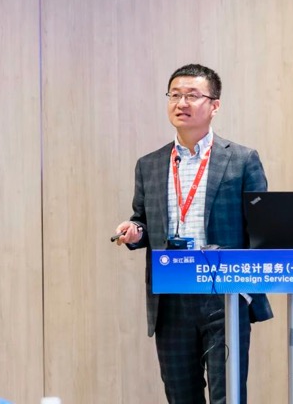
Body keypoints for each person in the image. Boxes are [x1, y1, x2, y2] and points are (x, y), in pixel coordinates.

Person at [114, 63, 273, 404]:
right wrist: (135, 231)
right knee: (180, 396)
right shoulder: (149, 164)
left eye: (191, 95)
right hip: (171, 295)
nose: (181, 103)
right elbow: (142, 221)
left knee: (227, 396)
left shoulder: (242, 160)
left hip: (224, 294)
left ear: (214, 105)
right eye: (174, 95)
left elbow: (261, 228)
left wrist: (248, 290)